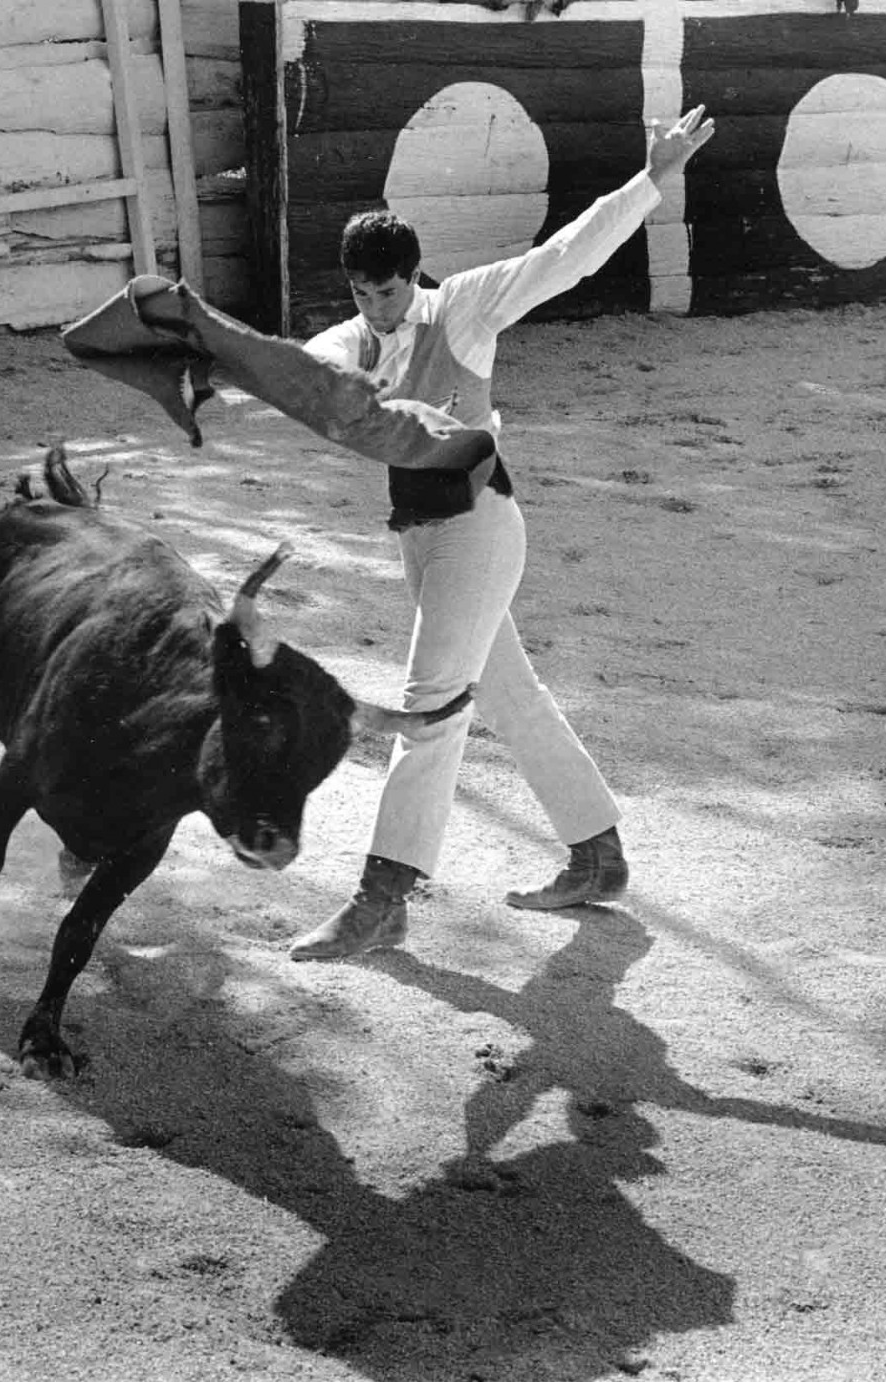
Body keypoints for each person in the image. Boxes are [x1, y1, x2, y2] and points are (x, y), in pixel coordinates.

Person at [287, 105, 717, 961]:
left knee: (431, 704)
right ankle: (598, 854)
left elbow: (565, 257)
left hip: (479, 530)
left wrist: (652, 179)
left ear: (413, 276)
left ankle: (384, 897)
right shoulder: (351, 337)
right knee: (510, 697)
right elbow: (301, 369)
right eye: (361, 292)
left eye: (387, 289)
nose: (374, 306)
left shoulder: (467, 308)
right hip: (424, 538)